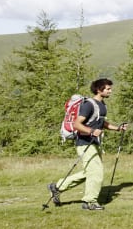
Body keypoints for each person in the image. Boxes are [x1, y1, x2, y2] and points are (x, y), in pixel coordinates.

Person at [47, 78, 128, 211]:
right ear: (98, 89)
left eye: (110, 88)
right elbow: (77, 124)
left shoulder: (102, 105)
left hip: (94, 143)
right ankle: (90, 202)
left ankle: (57, 187)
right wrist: (91, 131)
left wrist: (118, 128)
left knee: (89, 172)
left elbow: (102, 123)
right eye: (108, 89)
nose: (110, 91)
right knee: (96, 172)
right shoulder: (88, 105)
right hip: (85, 143)